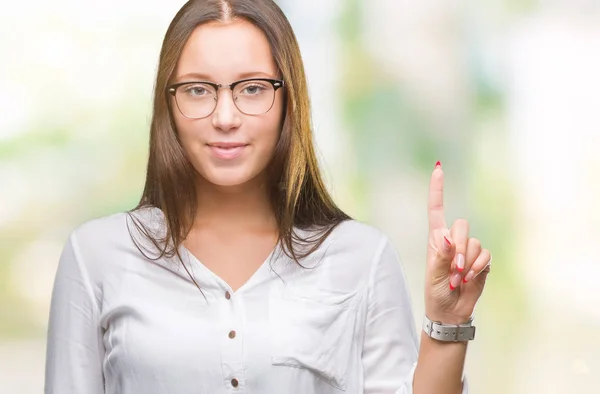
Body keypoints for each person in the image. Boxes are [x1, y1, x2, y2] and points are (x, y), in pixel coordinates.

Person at [44, 1, 492, 393]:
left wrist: (448, 323)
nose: (225, 116)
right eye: (199, 89)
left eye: (253, 88)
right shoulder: (96, 256)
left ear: (288, 100)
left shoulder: (362, 256)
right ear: (168, 104)